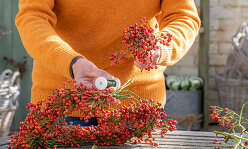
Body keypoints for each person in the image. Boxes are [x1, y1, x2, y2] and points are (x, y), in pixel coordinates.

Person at [15, 0, 201, 126]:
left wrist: (159, 47)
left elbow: (183, 16)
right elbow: (32, 17)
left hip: (137, 110)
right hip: (61, 108)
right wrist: (70, 62)